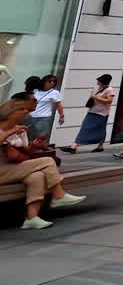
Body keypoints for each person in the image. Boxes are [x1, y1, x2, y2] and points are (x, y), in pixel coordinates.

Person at [0, 97, 85, 230]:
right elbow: (10, 153)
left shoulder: (19, 129)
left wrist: (33, 146)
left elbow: (26, 150)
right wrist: (11, 132)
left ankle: (31, 218)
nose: (26, 112)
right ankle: (58, 195)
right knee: (47, 161)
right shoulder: (4, 129)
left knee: (37, 176)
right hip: (2, 170)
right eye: (22, 110)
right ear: (11, 113)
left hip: (12, 168)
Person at [61, 74, 114, 154]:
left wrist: (96, 98)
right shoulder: (96, 88)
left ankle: (74, 146)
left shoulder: (109, 90)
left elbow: (109, 100)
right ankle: (100, 146)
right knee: (98, 129)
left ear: (104, 82)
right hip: (92, 110)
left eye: (99, 81)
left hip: (101, 113)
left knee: (87, 128)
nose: (97, 82)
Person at [27, 75, 63, 143]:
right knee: (29, 135)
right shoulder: (36, 91)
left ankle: (39, 151)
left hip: (43, 118)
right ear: (44, 81)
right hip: (31, 116)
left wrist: (61, 116)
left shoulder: (55, 93)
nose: (52, 83)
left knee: (40, 137)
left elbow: (59, 105)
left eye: (54, 81)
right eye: (50, 81)